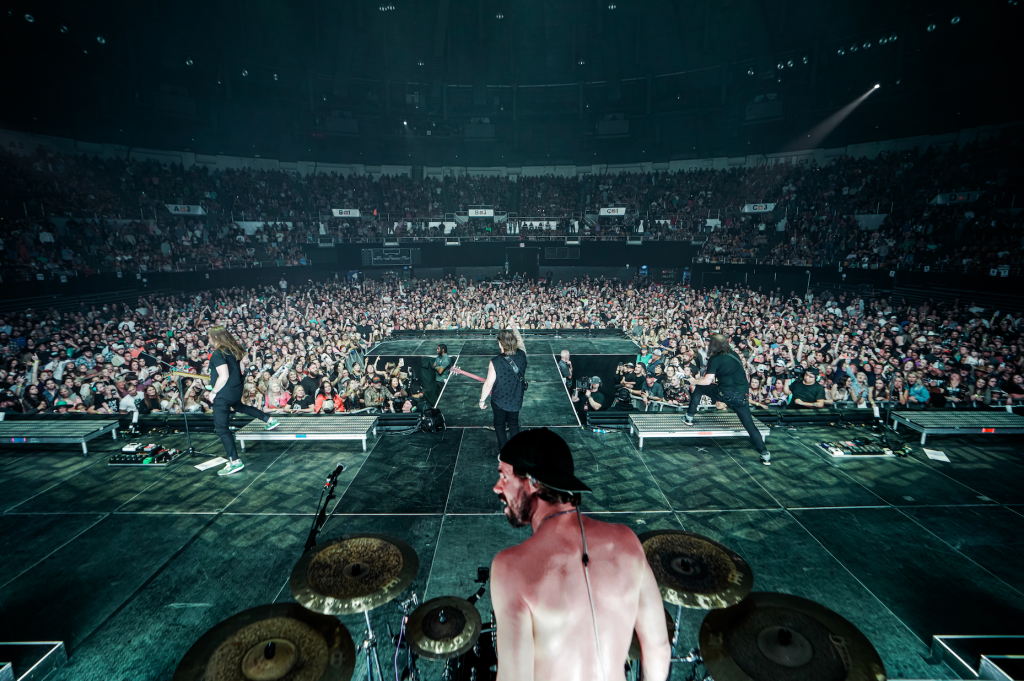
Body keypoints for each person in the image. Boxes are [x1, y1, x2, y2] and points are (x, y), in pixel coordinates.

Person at [490, 428, 671, 681]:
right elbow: (658, 648)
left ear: (533, 482)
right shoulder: (627, 541)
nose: (497, 488)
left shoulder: (509, 568)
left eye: (504, 476)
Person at [684, 333, 771, 465]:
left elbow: (707, 381)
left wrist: (694, 381)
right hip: (742, 396)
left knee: (700, 388)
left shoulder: (714, 359)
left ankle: (689, 417)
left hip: (727, 394)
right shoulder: (734, 354)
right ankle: (765, 454)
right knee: (749, 425)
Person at [207, 326, 280, 476]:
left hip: (223, 393)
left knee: (221, 429)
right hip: (235, 390)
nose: (208, 340)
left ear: (216, 337)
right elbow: (241, 370)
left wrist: (213, 392)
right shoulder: (233, 350)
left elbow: (224, 376)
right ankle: (269, 419)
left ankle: (234, 462)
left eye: (209, 337)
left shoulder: (218, 353)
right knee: (240, 406)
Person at [479, 326, 528, 450]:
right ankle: (517, 451)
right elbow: (521, 343)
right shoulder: (522, 355)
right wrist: (514, 327)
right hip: (516, 398)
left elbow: (488, 384)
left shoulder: (495, 362)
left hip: (499, 400)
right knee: (513, 424)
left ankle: (505, 452)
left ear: (500, 343)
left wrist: (482, 400)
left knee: (499, 424)